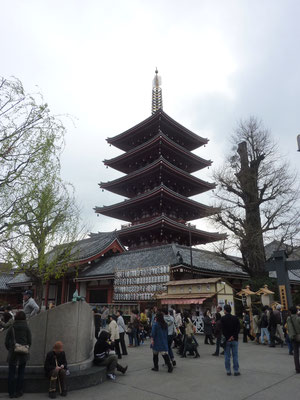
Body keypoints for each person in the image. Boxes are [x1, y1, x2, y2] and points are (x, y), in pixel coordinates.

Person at [5, 311, 32, 398]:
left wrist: (10, 348)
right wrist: (25, 347)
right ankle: (19, 391)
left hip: (13, 353)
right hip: (23, 353)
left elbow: (6, 341)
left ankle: (11, 393)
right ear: (24, 318)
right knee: (21, 372)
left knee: (11, 373)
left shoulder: (12, 327)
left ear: (15, 318)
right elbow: (30, 341)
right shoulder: (27, 328)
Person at [221, 304, 240, 376]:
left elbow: (223, 330)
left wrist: (228, 337)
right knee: (235, 355)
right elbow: (238, 328)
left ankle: (228, 371)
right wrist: (233, 336)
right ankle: (236, 371)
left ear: (225, 310)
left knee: (227, 356)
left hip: (227, 340)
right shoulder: (235, 318)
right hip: (234, 339)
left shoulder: (223, 318)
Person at [287, 306, 300, 373]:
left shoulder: (289, 319)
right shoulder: (298, 318)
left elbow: (289, 328)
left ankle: (297, 368)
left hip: (293, 337)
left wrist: (291, 336)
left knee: (296, 353)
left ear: (290, 311)